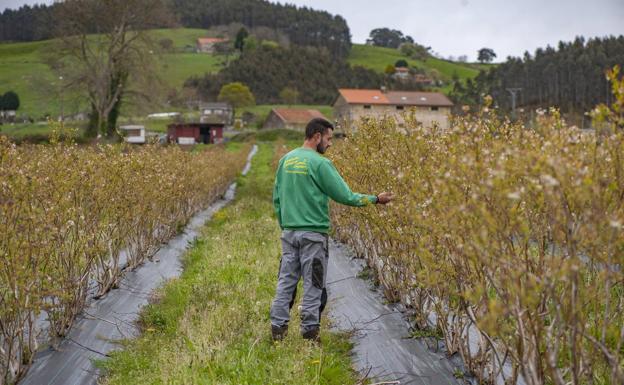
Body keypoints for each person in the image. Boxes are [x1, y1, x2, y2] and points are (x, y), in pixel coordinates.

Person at [270, 118, 393, 343]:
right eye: (328, 138)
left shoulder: (285, 160)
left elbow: (277, 199)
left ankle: (277, 330)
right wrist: (375, 199)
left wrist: (286, 224)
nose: (330, 143)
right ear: (317, 136)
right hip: (313, 236)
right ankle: (309, 334)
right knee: (313, 284)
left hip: (289, 233)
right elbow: (345, 196)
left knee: (285, 281)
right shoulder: (319, 164)